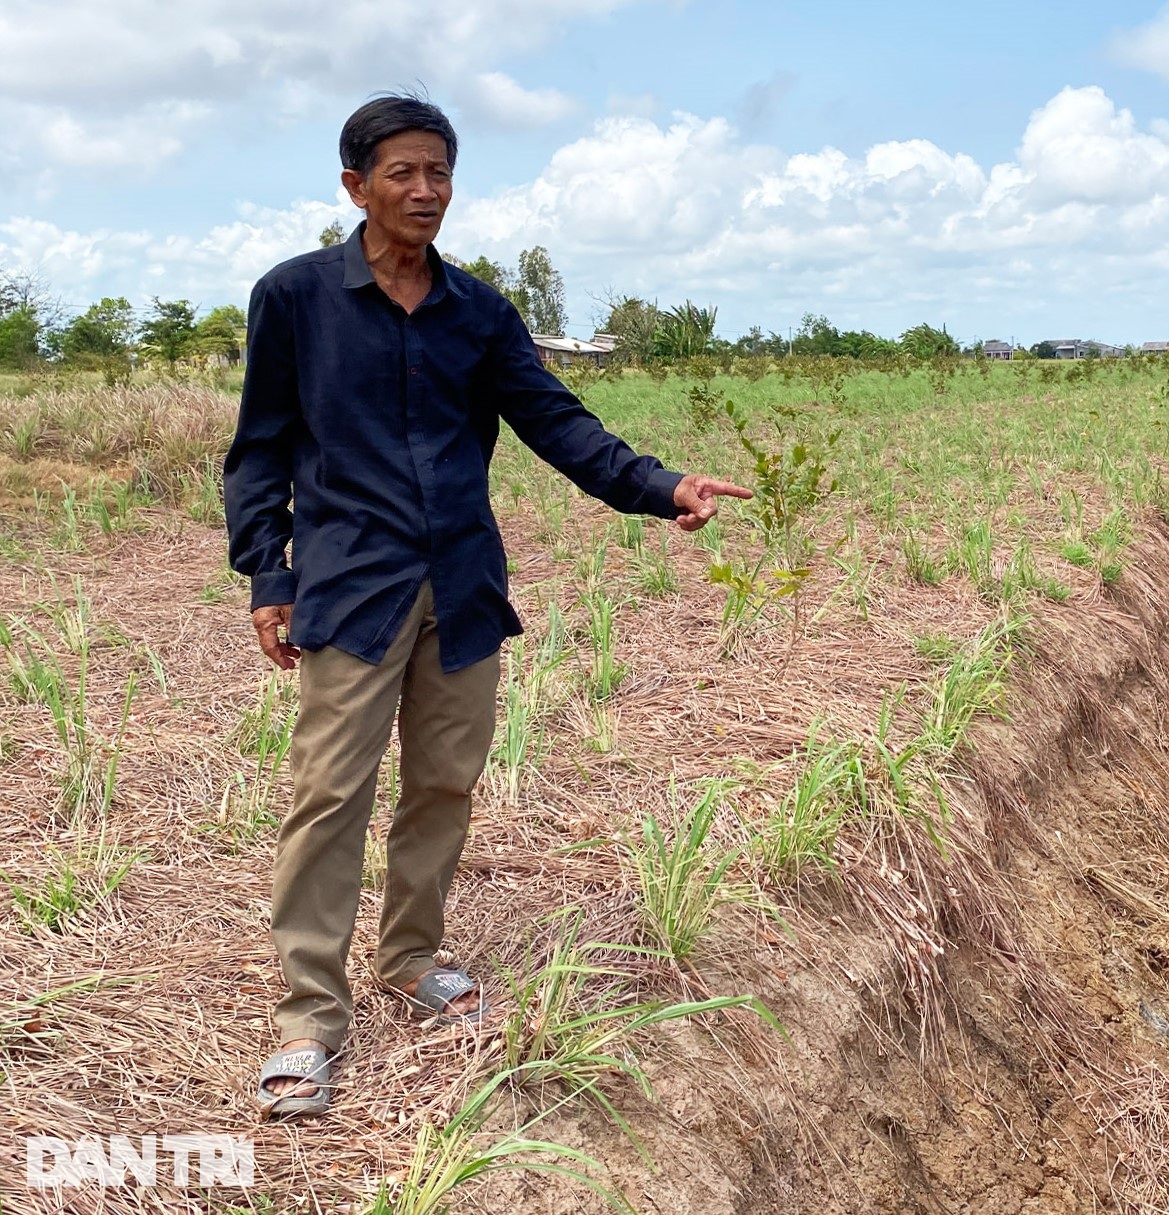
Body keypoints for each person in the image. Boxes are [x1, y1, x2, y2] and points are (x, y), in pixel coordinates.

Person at [224, 93, 751, 1120]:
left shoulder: (477, 312)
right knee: (330, 796)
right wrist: (268, 575)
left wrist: (660, 486)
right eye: (402, 173)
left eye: (440, 173)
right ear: (355, 186)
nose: (425, 191)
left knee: (445, 786)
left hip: (461, 586)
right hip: (351, 584)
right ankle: (306, 1020)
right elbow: (258, 451)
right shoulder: (295, 298)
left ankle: (410, 957)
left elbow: (557, 422)